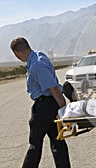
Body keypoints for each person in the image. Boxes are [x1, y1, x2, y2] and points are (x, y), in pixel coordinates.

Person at [10, 37, 71, 168]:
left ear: (17, 53)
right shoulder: (38, 57)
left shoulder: (37, 65)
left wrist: (64, 112)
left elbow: (54, 89)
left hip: (45, 107)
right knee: (57, 142)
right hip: (50, 104)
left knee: (35, 144)